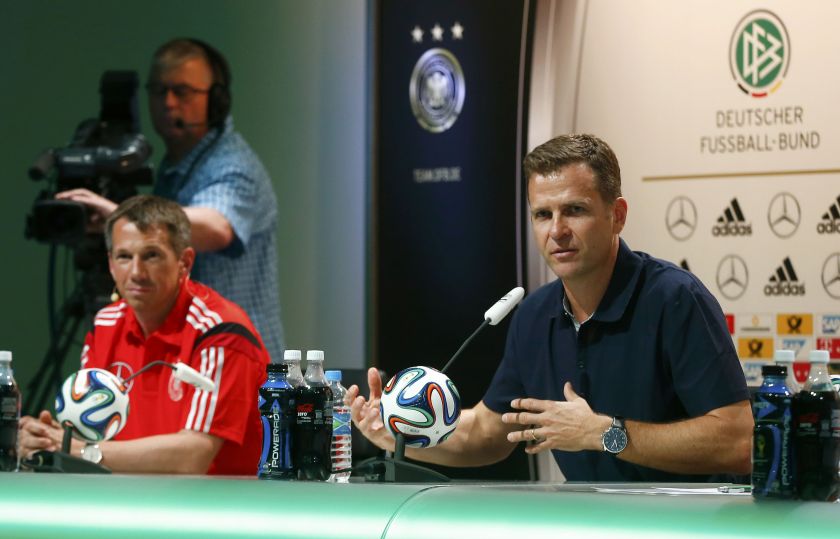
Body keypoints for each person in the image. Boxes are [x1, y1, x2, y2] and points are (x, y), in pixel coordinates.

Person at [348, 134, 753, 481]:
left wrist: (605, 433)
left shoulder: (676, 299)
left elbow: (739, 440)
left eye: (574, 210)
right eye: (543, 214)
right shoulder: (535, 315)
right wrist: (403, 436)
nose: (556, 231)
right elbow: (487, 435)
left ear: (618, 216)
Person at [55, 38, 284, 362]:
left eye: (183, 91)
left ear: (216, 100)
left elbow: (217, 227)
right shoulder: (174, 166)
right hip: (192, 353)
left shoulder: (234, 164)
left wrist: (124, 219)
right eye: (159, 91)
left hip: (237, 358)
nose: (168, 103)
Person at [19, 195, 269, 474]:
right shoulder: (105, 324)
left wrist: (74, 450)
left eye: (151, 255)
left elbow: (194, 456)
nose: (136, 272)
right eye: (124, 257)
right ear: (111, 264)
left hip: (216, 510)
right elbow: (93, 438)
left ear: (185, 262)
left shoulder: (220, 332)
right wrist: (47, 439)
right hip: (130, 503)